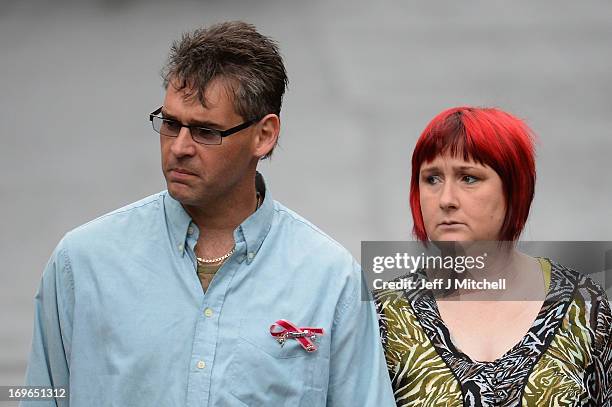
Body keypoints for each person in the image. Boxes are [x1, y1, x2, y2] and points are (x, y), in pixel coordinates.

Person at [23, 21, 395, 406]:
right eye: (170, 123)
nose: (179, 147)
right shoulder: (81, 264)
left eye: (205, 131)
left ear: (264, 135)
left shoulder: (331, 281)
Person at [375, 107, 611, 406]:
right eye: (432, 178)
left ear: (515, 189)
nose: (446, 199)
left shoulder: (584, 308)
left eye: (469, 178)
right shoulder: (386, 314)